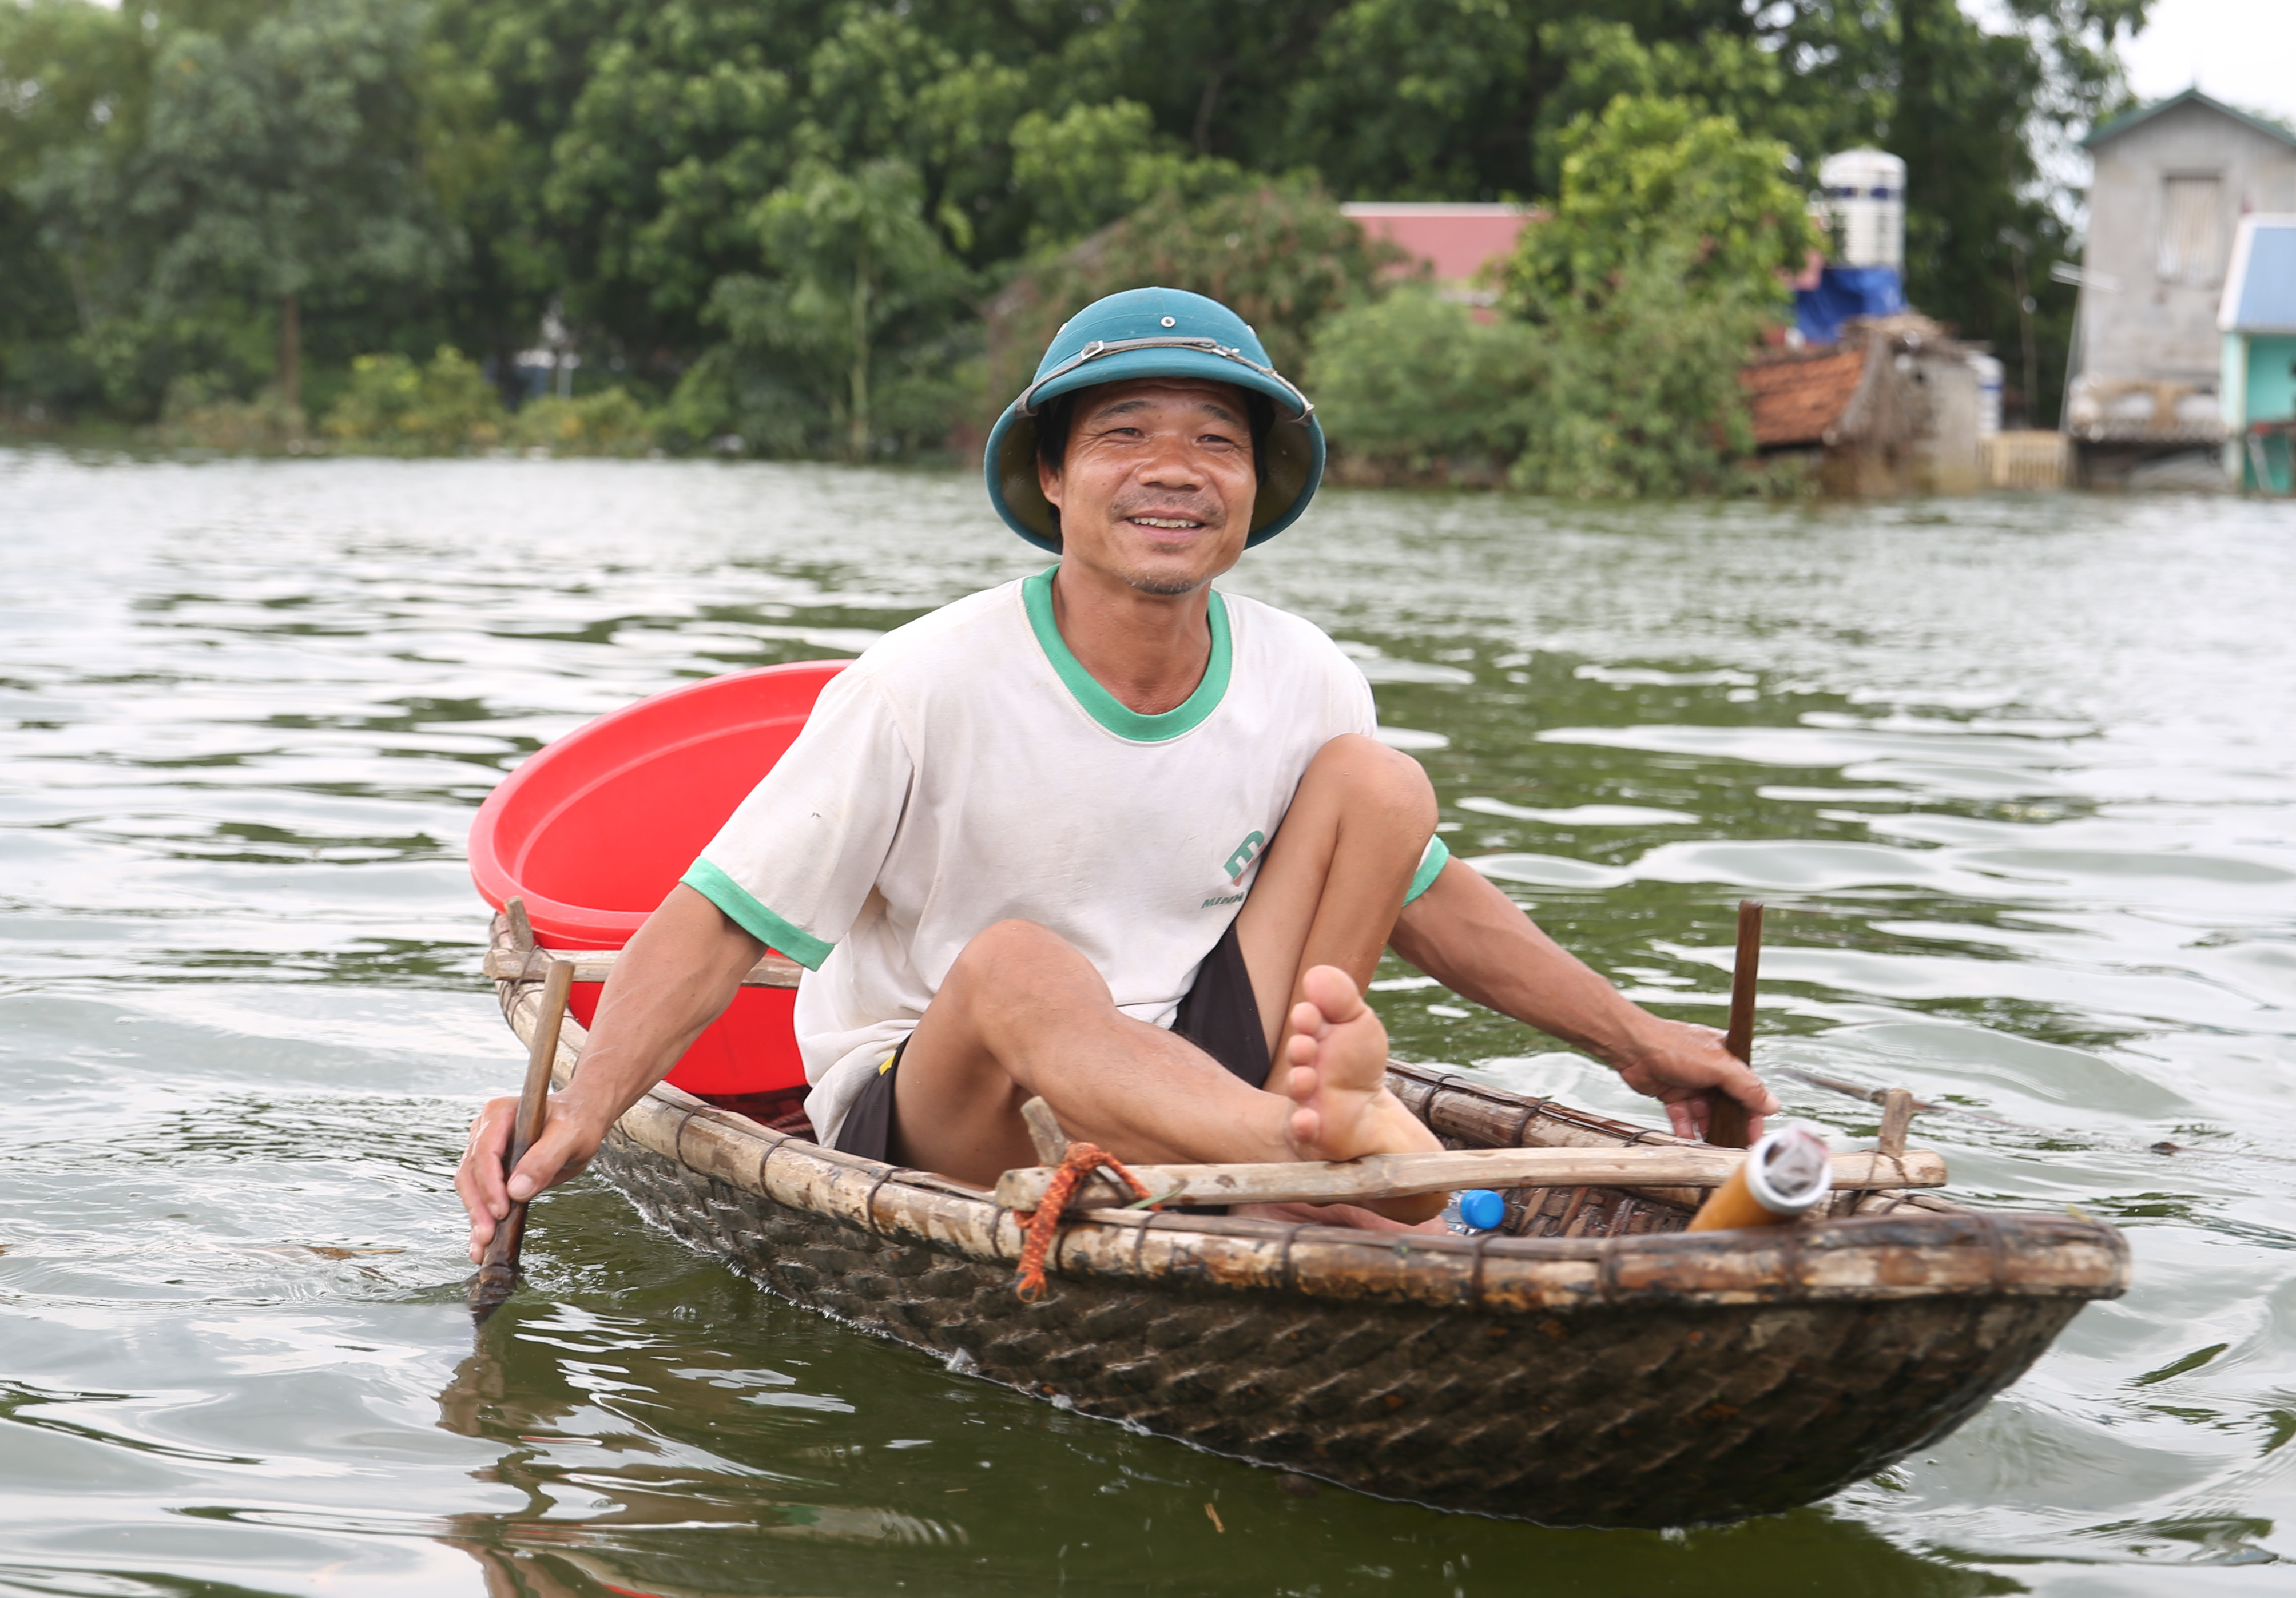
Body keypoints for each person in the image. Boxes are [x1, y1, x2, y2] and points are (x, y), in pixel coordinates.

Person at [458, 288, 1772, 1255]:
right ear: (1054, 474)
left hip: (1190, 1064)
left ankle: (1302, 1143)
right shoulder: (922, 682)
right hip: (944, 1103)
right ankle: (1313, 1157)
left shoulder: (1305, 676)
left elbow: (1432, 898)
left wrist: (1645, 1044)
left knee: (1383, 787)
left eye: (1216, 440)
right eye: (1124, 432)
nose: (1172, 471)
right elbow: (724, 920)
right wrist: (575, 1112)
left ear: (1255, 486)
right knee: (1024, 965)